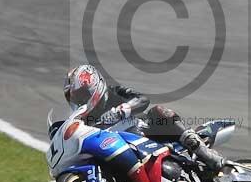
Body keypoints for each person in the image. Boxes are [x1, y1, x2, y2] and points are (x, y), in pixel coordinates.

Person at [63, 64, 226, 171]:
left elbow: (143, 100)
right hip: (121, 151)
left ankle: (204, 152)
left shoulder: (114, 92)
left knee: (158, 111)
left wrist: (121, 110)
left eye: (82, 95)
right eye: (76, 99)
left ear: (94, 86)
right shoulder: (84, 120)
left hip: (147, 133)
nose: (80, 101)